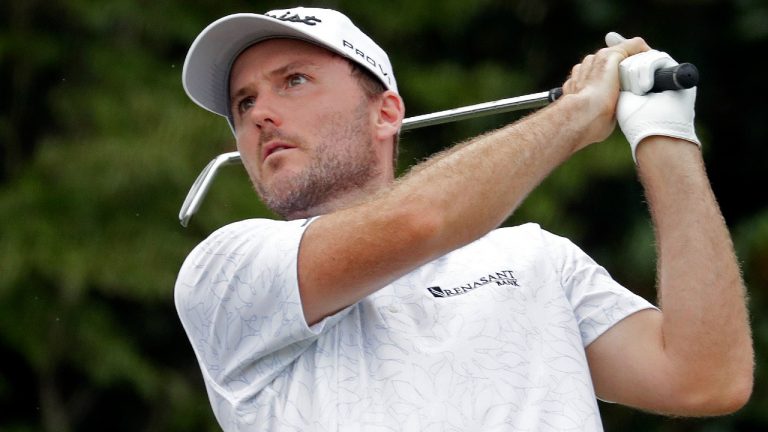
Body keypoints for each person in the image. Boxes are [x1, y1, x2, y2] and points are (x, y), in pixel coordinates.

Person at [175, 6, 753, 431]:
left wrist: (665, 133)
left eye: (293, 81)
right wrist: (576, 115)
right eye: (244, 102)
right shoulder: (225, 269)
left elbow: (706, 376)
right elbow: (420, 221)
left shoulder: (535, 258)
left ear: (386, 113)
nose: (260, 116)